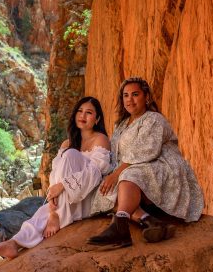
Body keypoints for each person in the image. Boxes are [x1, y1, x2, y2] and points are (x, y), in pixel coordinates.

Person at [0, 96, 113, 260]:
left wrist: (63, 185)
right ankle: (14, 243)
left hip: (88, 196)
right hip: (65, 198)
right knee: (42, 211)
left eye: (89, 113)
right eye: (80, 111)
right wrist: (55, 194)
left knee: (71, 154)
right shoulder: (67, 143)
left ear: (97, 119)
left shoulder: (100, 139)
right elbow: (55, 175)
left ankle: (54, 215)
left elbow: (94, 174)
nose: (83, 116)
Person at [87, 76, 204, 248]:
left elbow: (146, 151)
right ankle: (149, 221)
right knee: (106, 191)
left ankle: (119, 227)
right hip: (134, 166)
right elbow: (116, 154)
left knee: (128, 176)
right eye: (125, 95)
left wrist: (116, 174)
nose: (129, 100)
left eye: (135, 94)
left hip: (160, 164)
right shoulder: (122, 125)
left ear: (146, 97)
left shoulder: (154, 119)